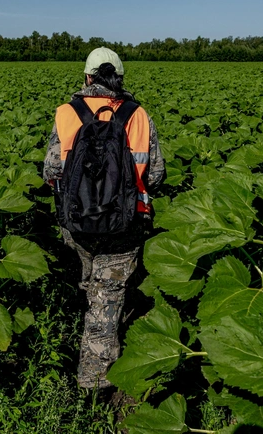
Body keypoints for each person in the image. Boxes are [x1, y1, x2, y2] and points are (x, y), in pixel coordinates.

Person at [42, 47, 166, 389]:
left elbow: (50, 171)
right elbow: (155, 175)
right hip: (124, 224)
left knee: (92, 285)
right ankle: (95, 383)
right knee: (107, 297)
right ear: (119, 79)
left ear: (86, 78)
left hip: (78, 224)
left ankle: (91, 368)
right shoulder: (138, 115)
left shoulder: (67, 113)